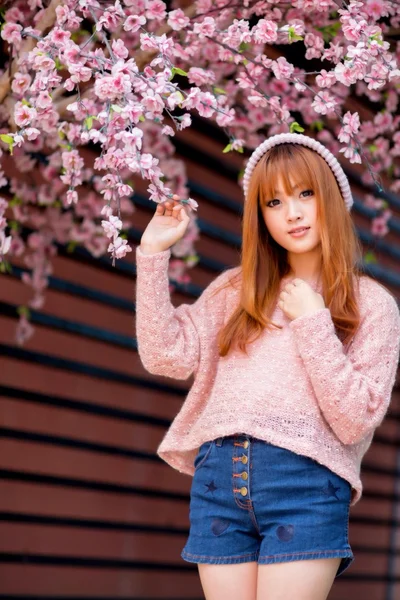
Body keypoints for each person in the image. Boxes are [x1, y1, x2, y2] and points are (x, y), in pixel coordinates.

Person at [135, 133, 400, 600]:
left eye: (305, 194)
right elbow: (164, 356)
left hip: (306, 483)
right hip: (220, 478)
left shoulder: (372, 305)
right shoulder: (234, 290)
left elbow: (354, 420)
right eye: (274, 202)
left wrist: (314, 322)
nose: (292, 213)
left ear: (332, 199)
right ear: (260, 216)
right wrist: (153, 255)